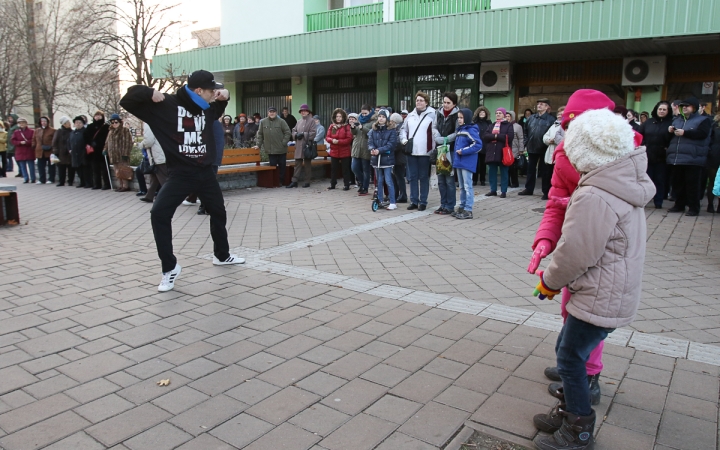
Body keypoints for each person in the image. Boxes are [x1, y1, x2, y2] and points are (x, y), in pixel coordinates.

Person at [531, 103, 654, 450]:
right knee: (569, 351)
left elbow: (575, 252)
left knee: (570, 359)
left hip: (599, 292)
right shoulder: (621, 184)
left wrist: (550, 281)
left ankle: (579, 428)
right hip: (611, 289)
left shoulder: (595, 195)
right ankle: (570, 410)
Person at [119, 69, 245, 292]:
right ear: (198, 90)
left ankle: (222, 255)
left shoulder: (206, 109)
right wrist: (148, 91)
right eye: (210, 91)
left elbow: (220, 103)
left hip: (205, 173)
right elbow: (127, 100)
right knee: (159, 214)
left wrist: (224, 95)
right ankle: (169, 268)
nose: (212, 94)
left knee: (218, 211)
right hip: (180, 174)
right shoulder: (165, 105)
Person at [667, 97, 712, 216]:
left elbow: (702, 134)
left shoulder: (703, 120)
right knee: (678, 183)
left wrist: (685, 133)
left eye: (687, 106)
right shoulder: (677, 120)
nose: (684, 108)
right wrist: (670, 131)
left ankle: (693, 207)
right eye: (682, 106)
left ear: (695, 108)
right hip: (677, 157)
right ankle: (679, 205)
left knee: (692, 185)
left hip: (693, 158)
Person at [399, 91, 438, 211]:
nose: (419, 102)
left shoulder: (433, 114)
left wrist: (434, 147)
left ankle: (423, 201)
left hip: (426, 152)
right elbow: (403, 130)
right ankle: (414, 201)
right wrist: (404, 141)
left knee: (423, 177)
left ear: (426, 102)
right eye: (417, 100)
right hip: (411, 151)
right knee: (412, 177)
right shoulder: (410, 115)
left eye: (421, 100)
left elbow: (436, 131)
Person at [639, 101, 673, 209]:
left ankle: (658, 202)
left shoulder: (671, 123)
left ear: (668, 111)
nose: (662, 111)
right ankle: (644, 200)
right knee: (646, 179)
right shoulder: (648, 122)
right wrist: (644, 145)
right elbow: (640, 135)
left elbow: (672, 140)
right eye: (660, 109)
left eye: (664, 109)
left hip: (662, 156)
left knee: (660, 180)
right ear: (656, 110)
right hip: (648, 155)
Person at [519, 98, 554, 196]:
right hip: (531, 147)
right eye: (538, 104)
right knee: (530, 170)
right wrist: (526, 142)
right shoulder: (531, 118)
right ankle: (528, 189)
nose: (539, 105)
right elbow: (525, 131)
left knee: (545, 171)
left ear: (547, 107)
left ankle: (546, 191)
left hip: (544, 148)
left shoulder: (551, 119)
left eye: (542, 104)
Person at [452, 108, 482, 219]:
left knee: (467, 186)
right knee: (462, 186)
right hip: (459, 162)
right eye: (458, 117)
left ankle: (468, 209)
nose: (459, 120)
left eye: (461, 117)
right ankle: (462, 206)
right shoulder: (460, 130)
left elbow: (478, 145)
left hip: (467, 162)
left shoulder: (470, 130)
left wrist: (463, 151)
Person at [434, 92, 459, 215]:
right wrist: (437, 137)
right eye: (444, 102)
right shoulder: (438, 113)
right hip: (440, 150)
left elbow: (457, 132)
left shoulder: (457, 115)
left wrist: (446, 139)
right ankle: (443, 204)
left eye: (448, 103)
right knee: (440, 179)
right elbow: (434, 127)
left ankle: (450, 206)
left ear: (454, 104)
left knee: (449, 180)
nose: (445, 105)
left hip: (451, 149)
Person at [368, 109, 397, 210]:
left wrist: (379, 150)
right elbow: (370, 142)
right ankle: (379, 200)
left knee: (388, 180)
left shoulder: (391, 131)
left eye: (383, 117)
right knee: (379, 181)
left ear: (387, 118)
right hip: (377, 159)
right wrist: (372, 149)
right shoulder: (373, 130)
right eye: (380, 116)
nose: (381, 118)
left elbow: (391, 144)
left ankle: (393, 201)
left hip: (387, 159)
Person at [255, 106, 291, 187]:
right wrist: (258, 145)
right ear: (268, 113)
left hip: (281, 149)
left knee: (282, 166)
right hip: (270, 150)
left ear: (276, 113)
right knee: (273, 166)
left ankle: (281, 181)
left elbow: (287, 132)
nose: (272, 113)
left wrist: (284, 143)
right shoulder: (263, 122)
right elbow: (260, 134)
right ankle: (274, 182)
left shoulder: (281, 121)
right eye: (270, 112)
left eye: (273, 112)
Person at [482, 108, 514, 198]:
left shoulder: (508, 125)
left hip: (502, 152)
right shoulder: (492, 125)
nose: (498, 114)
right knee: (492, 172)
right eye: (496, 113)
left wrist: (495, 136)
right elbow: (485, 136)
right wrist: (498, 136)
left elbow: (509, 137)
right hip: (492, 152)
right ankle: (493, 190)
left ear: (504, 114)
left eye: (500, 113)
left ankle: (503, 191)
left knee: (504, 172)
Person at [288, 104, 317, 188]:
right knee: (297, 164)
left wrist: (303, 134)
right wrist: (296, 135)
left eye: (305, 111)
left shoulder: (311, 121)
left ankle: (307, 181)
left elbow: (313, 133)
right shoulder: (298, 121)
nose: (303, 112)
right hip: (298, 145)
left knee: (307, 164)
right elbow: (293, 131)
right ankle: (294, 181)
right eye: (302, 111)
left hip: (307, 146)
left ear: (308, 112)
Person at [103, 114, 134, 192]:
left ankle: (125, 186)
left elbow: (128, 142)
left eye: (116, 122)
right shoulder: (110, 131)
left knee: (123, 170)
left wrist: (125, 154)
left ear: (120, 122)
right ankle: (120, 185)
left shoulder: (124, 130)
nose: (114, 124)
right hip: (113, 154)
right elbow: (107, 142)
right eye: (112, 122)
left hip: (121, 154)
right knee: (117, 171)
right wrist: (105, 149)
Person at [139, 122, 169, 202]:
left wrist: (141, 144)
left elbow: (149, 142)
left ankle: (169, 198)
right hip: (163, 152)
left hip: (158, 155)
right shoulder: (160, 120)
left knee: (163, 178)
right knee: (155, 176)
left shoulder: (148, 123)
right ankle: (149, 196)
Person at [541, 106, 565, 200]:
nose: (559, 115)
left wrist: (556, 140)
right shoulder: (553, 125)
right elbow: (545, 136)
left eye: (562, 114)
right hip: (550, 151)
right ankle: (546, 192)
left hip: (560, 153)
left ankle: (555, 193)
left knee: (556, 176)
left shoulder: (567, 126)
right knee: (547, 174)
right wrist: (548, 140)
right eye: (558, 114)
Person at [325, 108, 352, 190]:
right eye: (337, 116)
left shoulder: (347, 127)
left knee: (345, 169)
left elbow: (349, 139)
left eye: (340, 116)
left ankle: (346, 184)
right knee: (333, 169)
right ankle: (333, 184)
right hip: (334, 151)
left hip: (345, 151)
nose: (338, 118)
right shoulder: (332, 126)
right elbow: (327, 137)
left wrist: (338, 141)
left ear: (343, 117)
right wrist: (332, 140)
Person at [351, 106, 374, 196]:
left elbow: (371, 133)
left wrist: (362, 128)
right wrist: (353, 127)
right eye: (362, 113)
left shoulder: (373, 122)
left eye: (365, 113)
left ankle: (365, 187)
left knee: (366, 170)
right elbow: (354, 133)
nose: (363, 115)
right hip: (356, 147)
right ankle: (361, 183)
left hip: (365, 148)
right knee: (354, 168)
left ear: (370, 112)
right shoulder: (359, 119)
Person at [84, 111, 111, 190]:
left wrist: (100, 143)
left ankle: (106, 184)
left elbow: (107, 138)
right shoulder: (90, 127)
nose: (97, 117)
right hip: (93, 151)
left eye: (99, 115)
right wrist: (91, 143)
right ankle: (97, 184)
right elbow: (85, 137)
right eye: (96, 116)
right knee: (95, 169)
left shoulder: (106, 127)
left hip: (102, 150)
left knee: (104, 169)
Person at [389, 112, 408, 203]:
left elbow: (398, 143)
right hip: (396, 157)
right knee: (395, 176)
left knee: (399, 177)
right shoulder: (396, 128)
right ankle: (396, 194)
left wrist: (390, 147)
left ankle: (402, 195)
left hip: (399, 157)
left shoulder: (400, 129)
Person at [32, 116, 56, 184]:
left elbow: (55, 140)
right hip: (40, 150)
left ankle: (51, 179)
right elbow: (34, 139)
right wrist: (33, 146)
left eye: (45, 121)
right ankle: (42, 179)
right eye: (42, 121)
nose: (43, 123)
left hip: (50, 150)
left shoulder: (52, 130)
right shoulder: (37, 130)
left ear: (48, 122)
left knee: (51, 166)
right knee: (41, 166)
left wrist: (52, 147)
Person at [472, 106, 492, 187]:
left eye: (483, 112)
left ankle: (483, 180)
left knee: (483, 164)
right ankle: (474, 180)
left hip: (485, 145)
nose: (482, 114)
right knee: (475, 164)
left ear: (486, 114)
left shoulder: (489, 123)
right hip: (476, 145)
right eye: (480, 112)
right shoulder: (474, 122)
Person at [11, 118, 35, 183]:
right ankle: (26, 178)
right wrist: (19, 142)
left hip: (29, 151)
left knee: (31, 166)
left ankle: (33, 178)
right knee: (23, 166)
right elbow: (13, 140)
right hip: (20, 151)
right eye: (20, 123)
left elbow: (34, 140)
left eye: (23, 123)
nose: (21, 124)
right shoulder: (16, 132)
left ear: (26, 123)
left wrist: (26, 142)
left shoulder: (31, 131)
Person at [69, 116, 91, 188]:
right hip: (75, 154)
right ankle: (82, 182)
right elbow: (68, 142)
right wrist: (69, 149)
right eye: (76, 123)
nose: (78, 124)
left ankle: (88, 183)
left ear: (82, 124)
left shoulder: (85, 131)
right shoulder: (72, 133)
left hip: (83, 153)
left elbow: (89, 141)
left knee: (85, 169)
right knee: (78, 169)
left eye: (79, 123)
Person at [52, 117, 73, 186]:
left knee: (71, 168)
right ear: (64, 124)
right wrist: (56, 152)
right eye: (68, 122)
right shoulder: (59, 131)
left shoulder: (72, 131)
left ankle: (70, 181)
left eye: (69, 122)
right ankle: (61, 181)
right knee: (61, 168)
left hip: (69, 153)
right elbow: (54, 142)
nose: (69, 124)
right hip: (61, 153)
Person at [506, 111, 524, 188]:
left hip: (514, 149)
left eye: (508, 116)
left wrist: (521, 149)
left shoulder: (518, 127)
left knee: (513, 168)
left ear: (512, 117)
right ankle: (507, 182)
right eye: (506, 116)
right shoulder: (504, 125)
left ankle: (515, 182)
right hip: (506, 149)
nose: (507, 118)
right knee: (506, 167)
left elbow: (521, 138)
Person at [707, 113, 720, 213]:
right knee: (713, 180)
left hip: (714, 153)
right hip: (714, 155)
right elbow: (709, 139)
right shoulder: (714, 124)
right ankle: (710, 204)